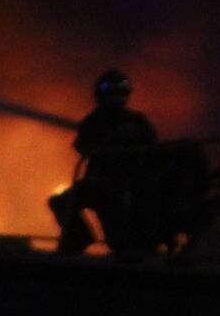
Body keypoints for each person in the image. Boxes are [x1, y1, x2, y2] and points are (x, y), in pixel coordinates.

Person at [50, 69, 157, 255]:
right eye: (110, 91)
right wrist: (106, 141)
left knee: (120, 244)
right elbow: (82, 146)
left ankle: (129, 256)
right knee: (61, 202)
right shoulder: (94, 121)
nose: (114, 96)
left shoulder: (137, 121)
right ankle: (79, 238)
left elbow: (154, 150)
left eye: (118, 91)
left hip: (124, 187)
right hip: (97, 185)